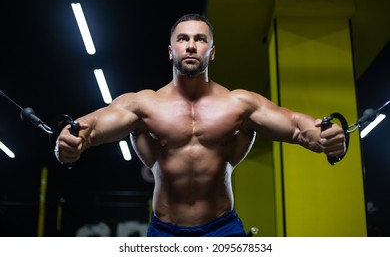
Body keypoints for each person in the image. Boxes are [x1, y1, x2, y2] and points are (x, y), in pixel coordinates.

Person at [56, 13, 346, 237]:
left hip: (223, 230)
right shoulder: (144, 105)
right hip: (164, 233)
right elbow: (89, 127)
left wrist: (324, 135)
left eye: (200, 39)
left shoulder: (239, 104)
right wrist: (68, 140)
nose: (191, 45)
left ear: (212, 51)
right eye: (183, 39)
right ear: (171, 51)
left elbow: (296, 125)